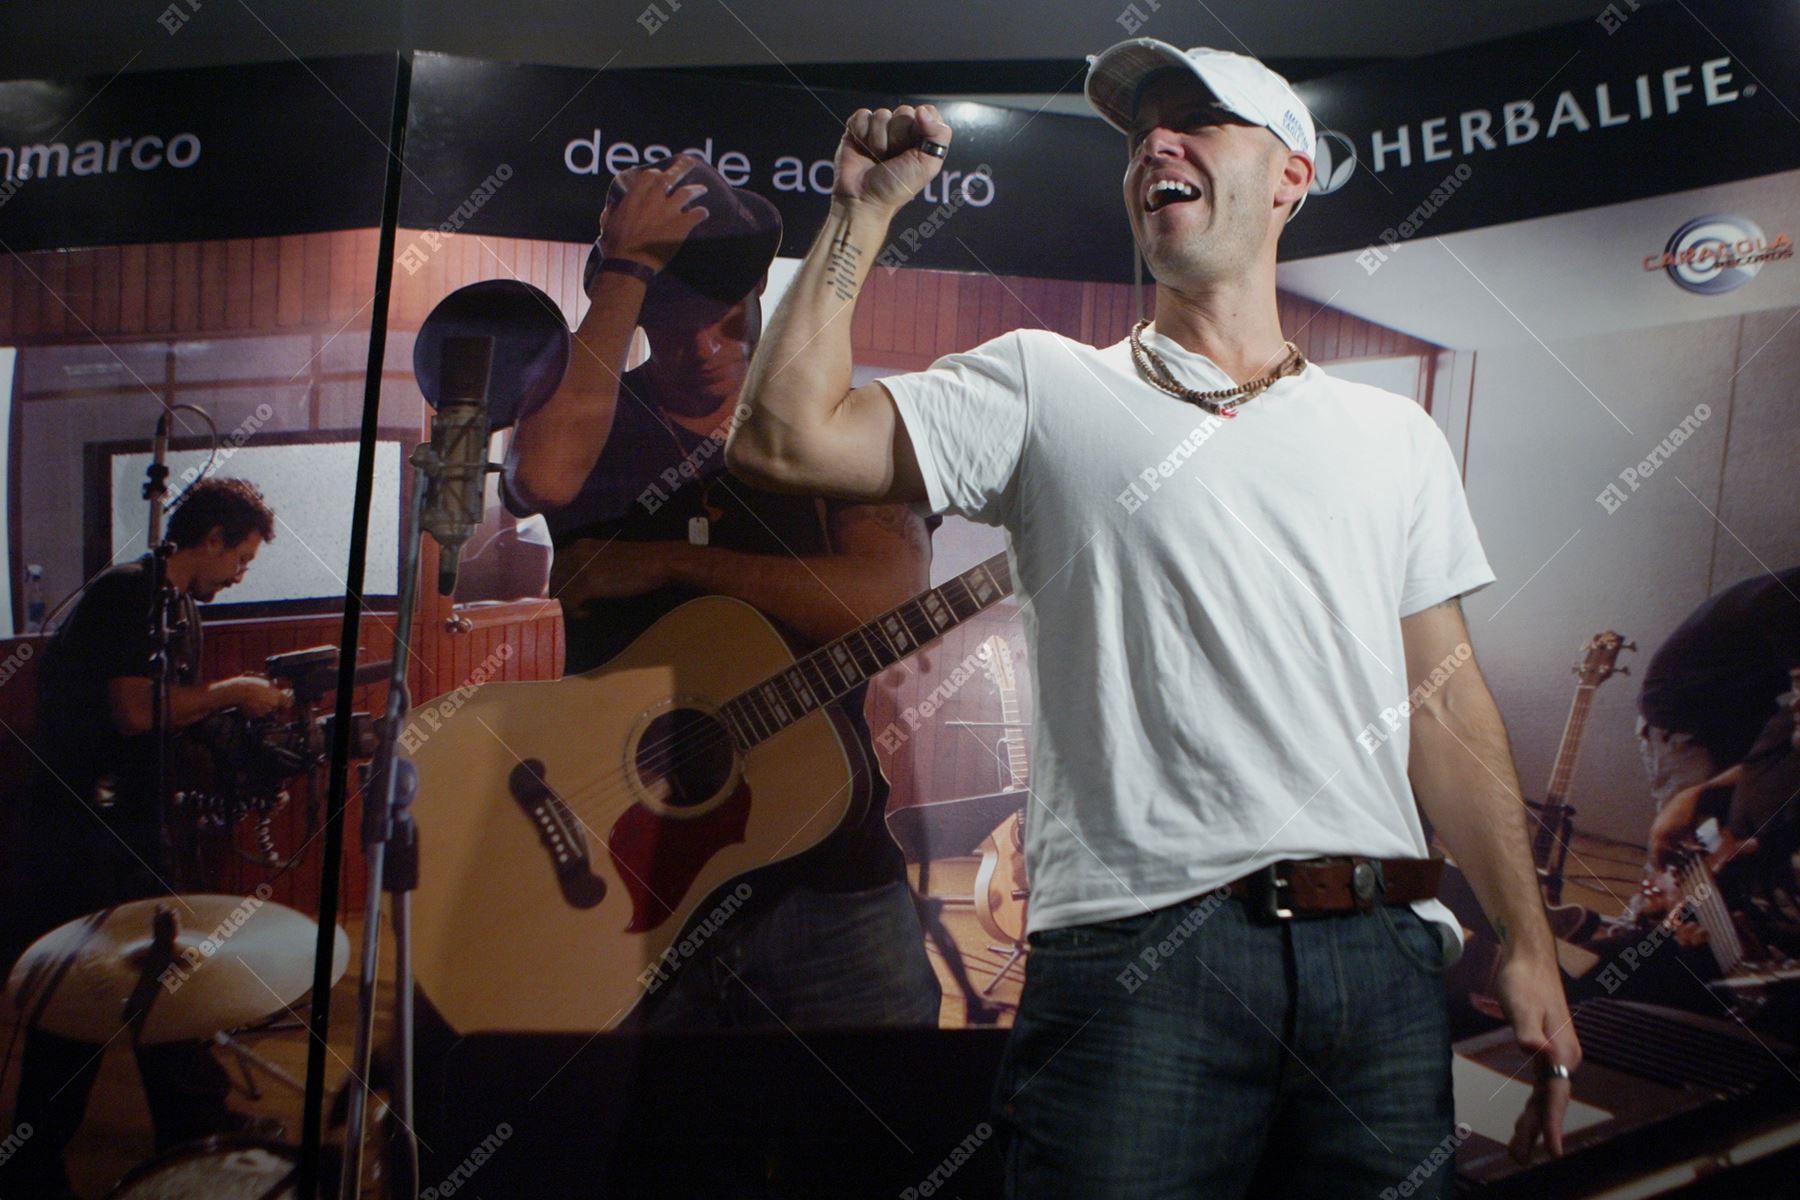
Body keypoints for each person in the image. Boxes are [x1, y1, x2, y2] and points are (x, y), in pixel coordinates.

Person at [726, 39, 1580, 1196]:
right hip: (1138, 967)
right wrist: (861, 215)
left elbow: (1449, 699)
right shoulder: (1043, 386)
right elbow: (782, 440)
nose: (1154, 148)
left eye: (1198, 122)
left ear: (1291, 174)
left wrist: (1528, 946)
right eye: (1140, 135)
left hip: (1378, 959)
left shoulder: (1396, 438)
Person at [502, 156, 941, 1030]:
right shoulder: (595, 425)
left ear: (761, 299)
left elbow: (885, 604)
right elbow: (544, 476)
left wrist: (673, 561)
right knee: (661, 1157)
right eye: (671, 331)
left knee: (882, 1140)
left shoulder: (841, 430)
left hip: (828, 875)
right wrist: (625, 270)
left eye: (727, 323)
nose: (704, 353)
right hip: (638, 873)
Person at [6, 476, 289, 1199]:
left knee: (166, 976)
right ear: (213, 538)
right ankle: (31, 1163)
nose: (241, 574)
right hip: (81, 829)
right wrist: (231, 693)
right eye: (243, 559)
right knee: (77, 1000)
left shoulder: (175, 607)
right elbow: (135, 711)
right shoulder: (128, 594)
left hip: (127, 822)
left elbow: (163, 715)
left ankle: (194, 1131)